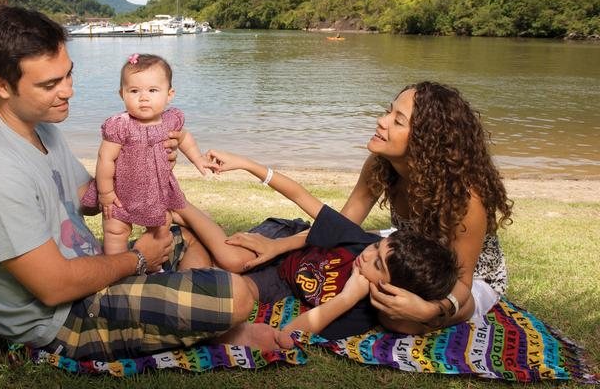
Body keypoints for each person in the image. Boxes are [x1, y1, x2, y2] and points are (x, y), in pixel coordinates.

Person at [0, 6, 287, 362]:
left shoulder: (39, 126)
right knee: (238, 296)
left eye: (68, 75)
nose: (68, 92)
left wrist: (143, 167)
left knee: (190, 233)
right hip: (61, 318)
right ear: (0, 85)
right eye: (50, 84)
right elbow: (53, 286)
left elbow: (88, 199)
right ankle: (211, 324)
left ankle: (191, 316)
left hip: (94, 270)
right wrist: (138, 258)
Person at [214, 82, 513, 334]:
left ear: (428, 141)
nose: (382, 121)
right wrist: (279, 246)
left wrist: (428, 309)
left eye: (398, 120)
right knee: (340, 255)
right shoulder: (381, 166)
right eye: (388, 111)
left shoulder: (464, 200)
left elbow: (461, 282)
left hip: (467, 278)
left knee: (400, 319)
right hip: (402, 250)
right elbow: (342, 226)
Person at [175, 151, 458, 341]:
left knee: (225, 291)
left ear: (391, 288)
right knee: (231, 260)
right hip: (287, 240)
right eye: (378, 247)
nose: (367, 255)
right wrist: (248, 165)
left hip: (282, 281)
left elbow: (291, 332)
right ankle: (179, 203)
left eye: (378, 264)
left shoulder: (358, 312)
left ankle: (192, 238)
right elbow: (301, 196)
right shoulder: (360, 242)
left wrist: (346, 298)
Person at [81, 53, 209, 256]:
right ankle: (116, 267)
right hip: (121, 191)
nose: (143, 97)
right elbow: (106, 158)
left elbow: (184, 138)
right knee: (115, 229)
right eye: (134, 91)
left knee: (162, 225)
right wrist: (105, 193)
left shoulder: (170, 121)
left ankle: (155, 263)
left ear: (169, 94)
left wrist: (198, 158)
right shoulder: (121, 125)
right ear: (122, 94)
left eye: (152, 90)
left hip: (156, 190)